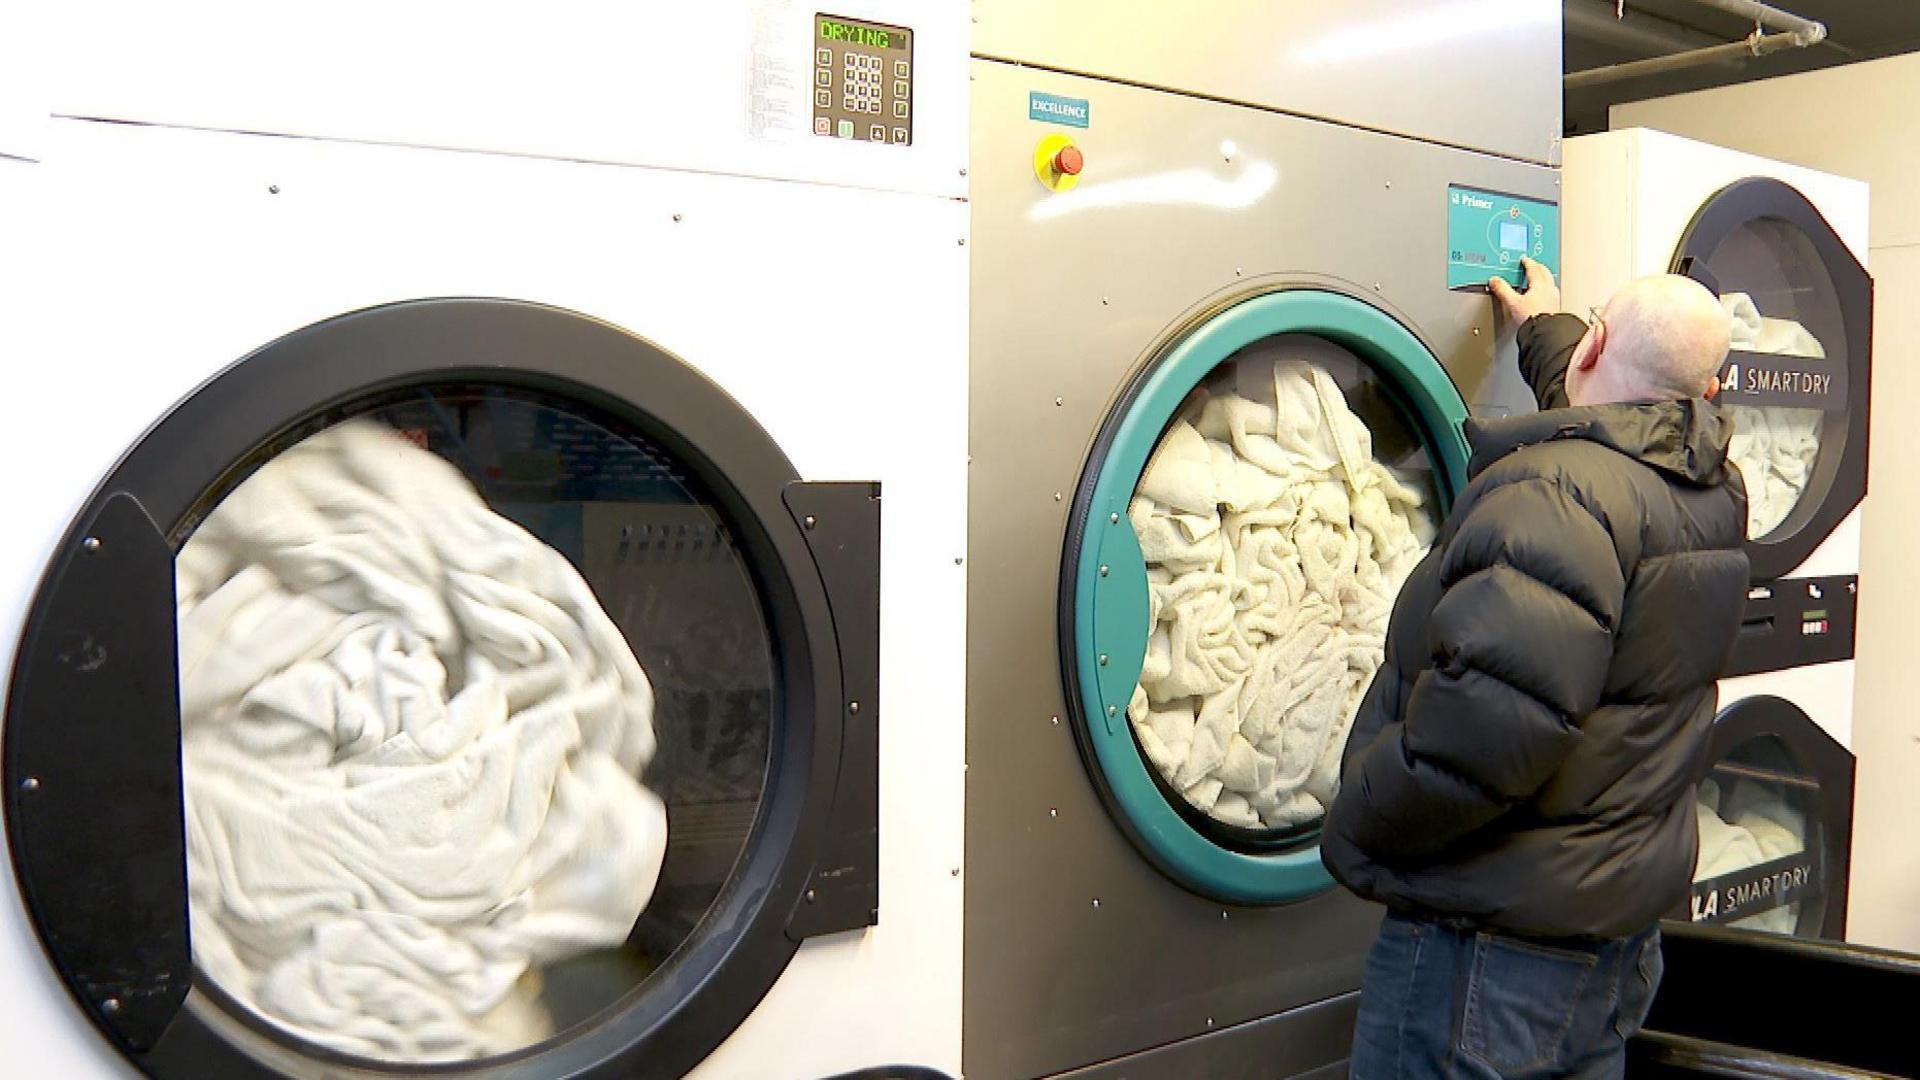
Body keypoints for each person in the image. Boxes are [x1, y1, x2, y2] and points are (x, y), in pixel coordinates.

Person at [1322, 258, 1750, 1079]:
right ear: (1711, 385)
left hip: (1490, 961)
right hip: (1611, 940)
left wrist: (1353, 818)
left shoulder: (1548, 496)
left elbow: (1482, 739)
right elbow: (1612, 426)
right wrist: (1544, 330)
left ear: (1596, 347)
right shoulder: (1707, 484)